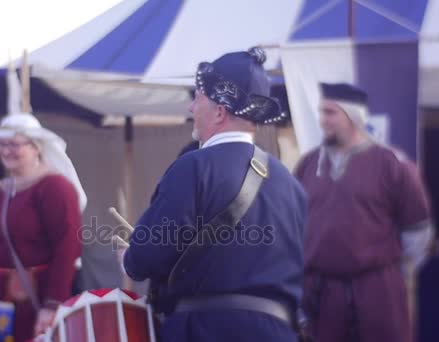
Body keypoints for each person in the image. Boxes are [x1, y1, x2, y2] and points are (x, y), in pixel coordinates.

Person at [120, 48, 307, 342]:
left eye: (198, 98)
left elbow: (147, 256)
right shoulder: (290, 183)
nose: (191, 108)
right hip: (279, 333)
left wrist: (128, 258)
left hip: (205, 330)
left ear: (220, 110)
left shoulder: (192, 168)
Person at [294, 83, 434, 342]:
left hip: (377, 292)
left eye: (330, 113)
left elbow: (418, 231)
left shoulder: (393, 164)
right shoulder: (308, 164)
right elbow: (296, 227)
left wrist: (383, 270)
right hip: (322, 295)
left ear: (353, 115)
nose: (322, 120)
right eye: (321, 112)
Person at [0, 112, 86, 342]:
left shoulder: (55, 187)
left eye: (14, 144)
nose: (5, 151)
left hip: (33, 299)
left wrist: (52, 304)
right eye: (1, 144)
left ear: (36, 147)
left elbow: (68, 247)